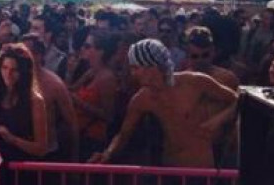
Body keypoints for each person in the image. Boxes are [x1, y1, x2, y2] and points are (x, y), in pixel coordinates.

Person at [89, 39, 238, 169]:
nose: (133, 73)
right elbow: (123, 135)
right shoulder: (141, 99)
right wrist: (107, 153)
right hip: (170, 169)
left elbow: (239, 100)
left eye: (135, 68)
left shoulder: (194, 81)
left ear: (151, 65)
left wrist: (218, 120)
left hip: (200, 168)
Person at [0, 44, 50, 185]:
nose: (8, 74)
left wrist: (13, 139)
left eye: (14, 70)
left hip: (21, 173)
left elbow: (41, 148)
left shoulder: (35, 101)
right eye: (4, 68)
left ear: (23, 72)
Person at [21, 34, 78, 162]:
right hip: (17, 152)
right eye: (21, 52)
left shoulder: (54, 84)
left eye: (28, 52)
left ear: (39, 55)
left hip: (47, 155)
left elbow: (71, 122)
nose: (23, 56)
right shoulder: (12, 78)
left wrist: (75, 159)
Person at [70, 30, 121, 160]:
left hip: (92, 139)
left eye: (87, 46)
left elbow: (108, 115)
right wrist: (70, 71)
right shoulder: (91, 72)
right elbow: (70, 91)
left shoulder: (107, 78)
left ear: (101, 51)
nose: (82, 49)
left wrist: (79, 103)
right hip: (79, 135)